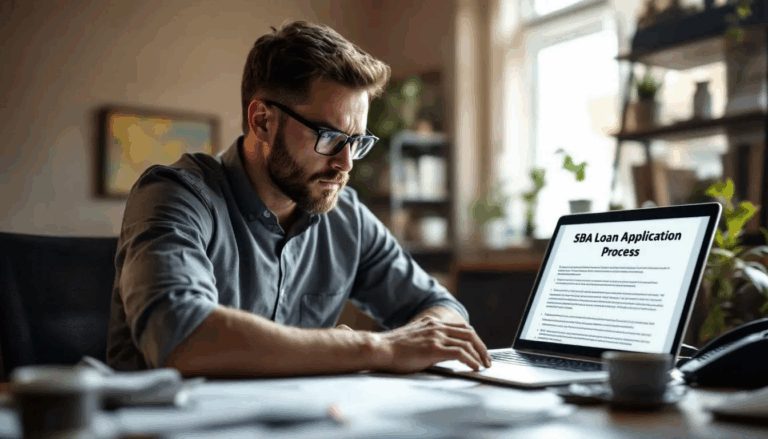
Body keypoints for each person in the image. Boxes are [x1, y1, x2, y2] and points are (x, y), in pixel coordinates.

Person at [106, 20, 491, 376]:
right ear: (263, 121)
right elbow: (180, 334)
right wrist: (374, 347)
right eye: (329, 138)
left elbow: (445, 311)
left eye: (357, 143)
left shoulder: (347, 218)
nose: (346, 164)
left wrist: (420, 338)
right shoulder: (175, 195)